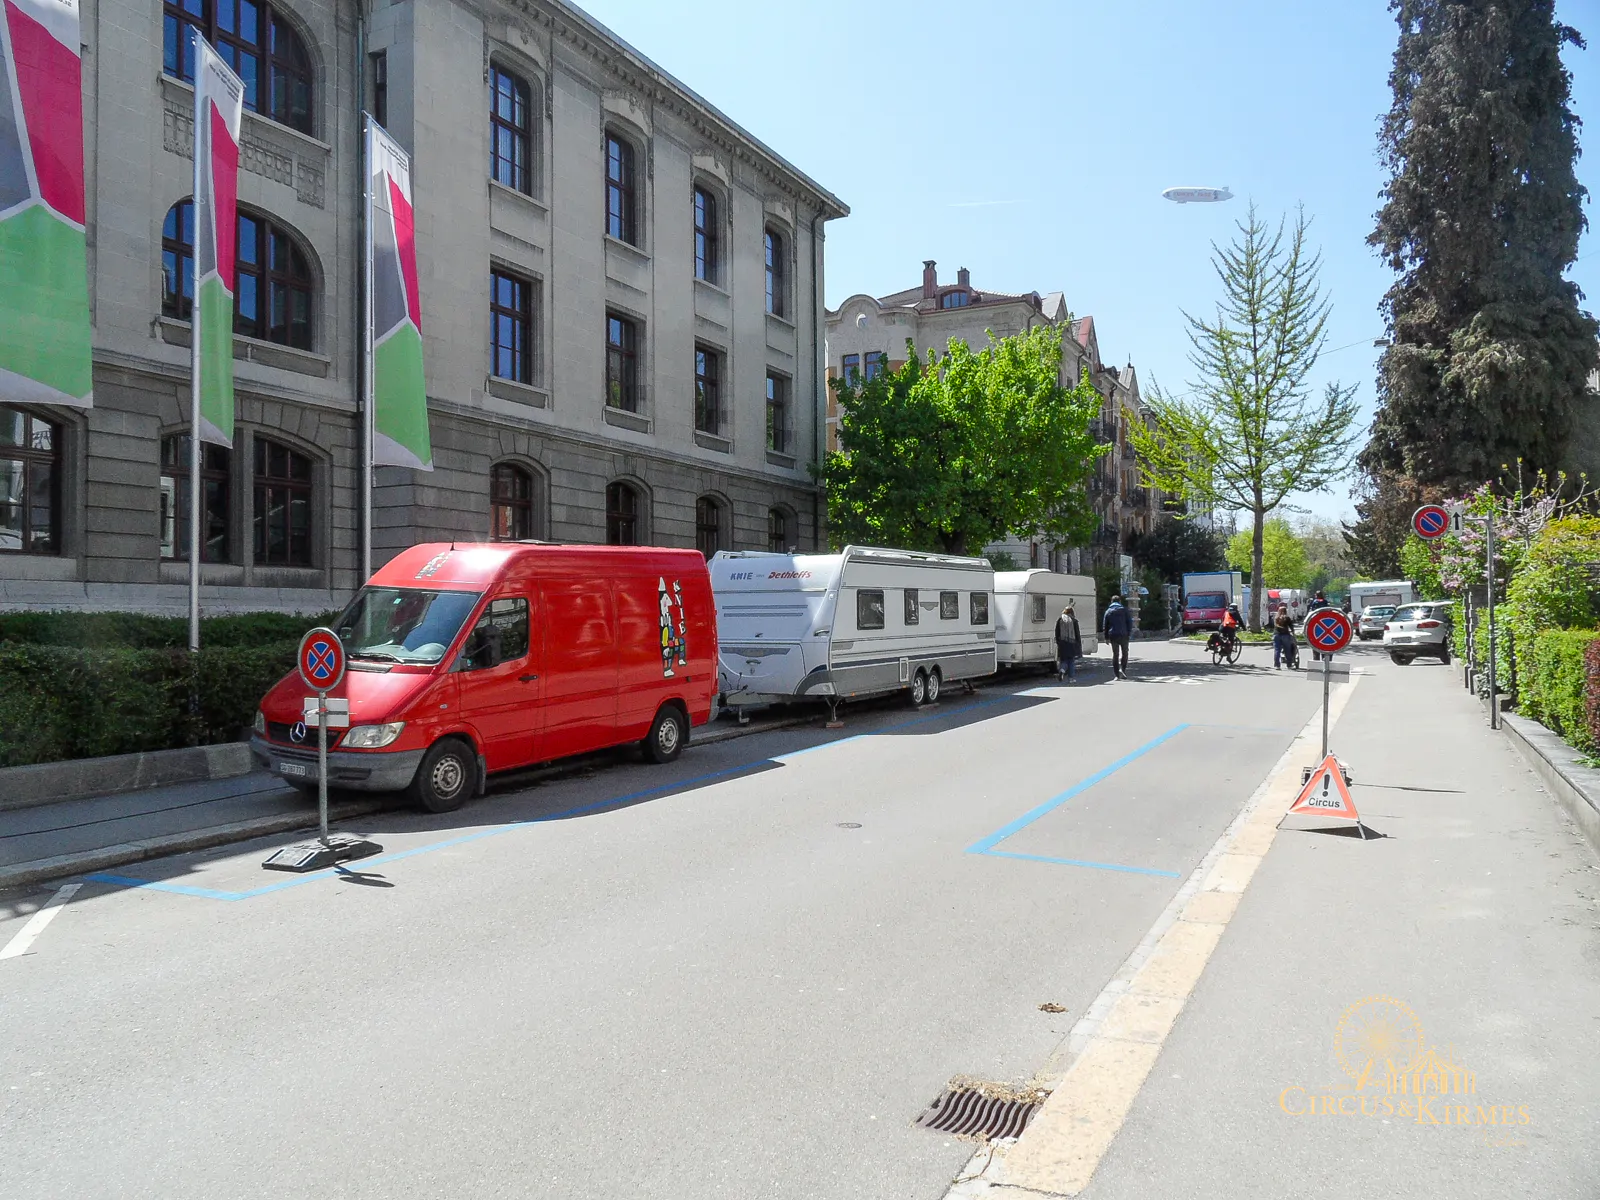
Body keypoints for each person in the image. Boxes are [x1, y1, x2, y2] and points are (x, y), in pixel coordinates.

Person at [1103, 594, 1132, 678]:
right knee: (1125, 653)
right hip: (1124, 634)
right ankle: (1123, 670)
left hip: (1113, 635)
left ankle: (1117, 674)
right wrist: (1129, 633)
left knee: (1115, 654)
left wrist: (1106, 637)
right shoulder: (1124, 610)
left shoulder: (1108, 611)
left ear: (1111, 601)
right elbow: (1129, 622)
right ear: (1120, 601)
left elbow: (1105, 625)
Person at [1054, 603, 1082, 682]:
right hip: (1072, 643)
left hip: (1062, 643)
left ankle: (1062, 670)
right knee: (1071, 660)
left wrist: (1058, 642)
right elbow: (1077, 634)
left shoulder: (1060, 620)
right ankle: (1071, 678)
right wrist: (1078, 644)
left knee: (1064, 660)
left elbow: (1057, 632)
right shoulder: (1074, 621)